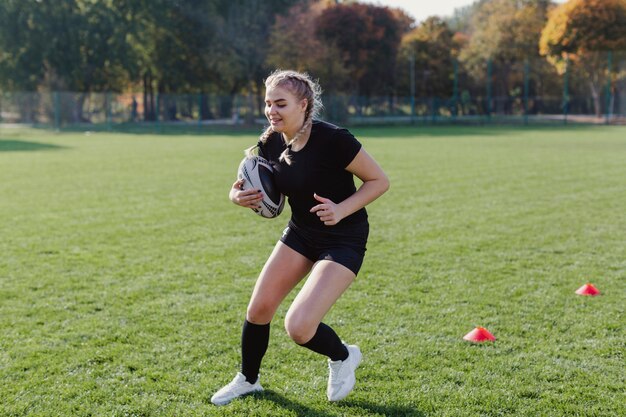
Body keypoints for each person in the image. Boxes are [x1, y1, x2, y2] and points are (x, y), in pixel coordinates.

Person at [211, 69, 389, 406]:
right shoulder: (271, 141)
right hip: (301, 233)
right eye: (267, 104)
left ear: (303, 105)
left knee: (299, 327)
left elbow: (379, 181)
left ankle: (342, 356)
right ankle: (248, 380)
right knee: (259, 307)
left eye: (280, 104)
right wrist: (236, 197)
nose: (271, 111)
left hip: (343, 238)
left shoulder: (335, 140)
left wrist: (341, 209)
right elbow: (247, 184)